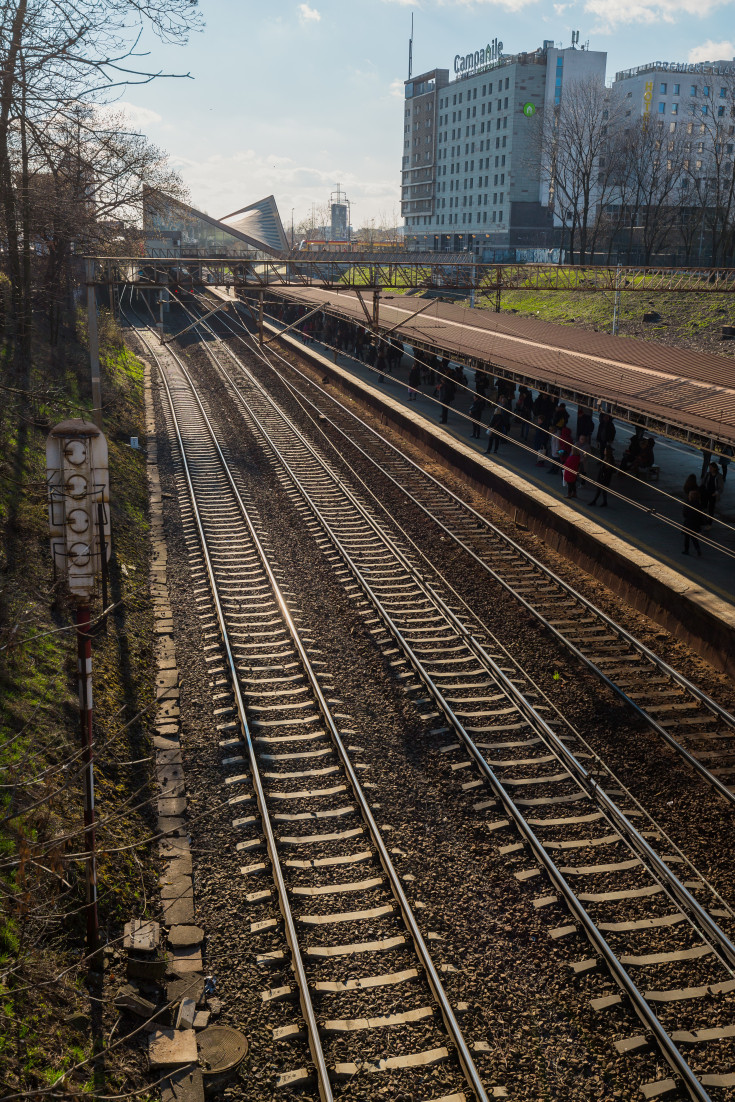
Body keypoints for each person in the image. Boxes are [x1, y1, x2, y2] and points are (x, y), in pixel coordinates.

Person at [682, 490, 703, 556]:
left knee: (687, 538)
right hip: (696, 523)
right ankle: (698, 549)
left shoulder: (688, 504)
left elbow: (684, 514)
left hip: (688, 522)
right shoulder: (699, 505)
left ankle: (686, 550)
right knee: (694, 537)